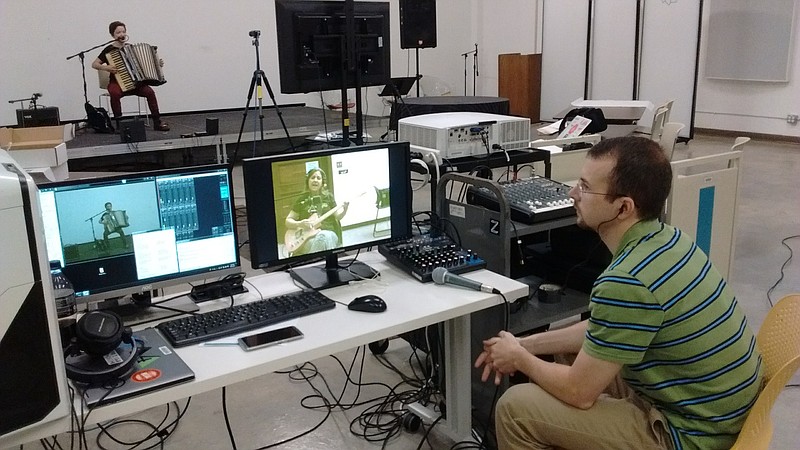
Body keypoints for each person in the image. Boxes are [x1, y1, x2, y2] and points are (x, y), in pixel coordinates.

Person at [475, 136, 762, 450]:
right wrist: (525, 345)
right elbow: (607, 326)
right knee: (562, 353)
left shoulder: (627, 280)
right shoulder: (668, 239)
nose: (572, 194)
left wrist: (519, 358)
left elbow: (579, 394)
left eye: (584, 187)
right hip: (721, 410)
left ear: (623, 207)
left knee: (516, 408)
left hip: (691, 435)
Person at [91, 21, 170, 131]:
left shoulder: (131, 48)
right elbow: (94, 64)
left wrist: (157, 64)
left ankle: (157, 122)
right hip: (117, 82)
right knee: (114, 93)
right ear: (112, 35)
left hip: (136, 83)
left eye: (123, 31)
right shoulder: (109, 50)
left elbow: (143, 64)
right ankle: (120, 124)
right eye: (118, 32)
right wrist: (106, 67)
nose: (121, 34)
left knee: (150, 92)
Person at [284, 168, 349, 255]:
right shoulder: (301, 199)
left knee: (323, 237)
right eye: (313, 177)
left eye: (318, 178)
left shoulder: (329, 197)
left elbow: (338, 217)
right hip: (308, 238)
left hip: (329, 233)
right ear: (308, 181)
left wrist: (345, 210)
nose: (315, 180)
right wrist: (300, 224)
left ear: (322, 182)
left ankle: (309, 264)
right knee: (321, 243)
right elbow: (288, 221)